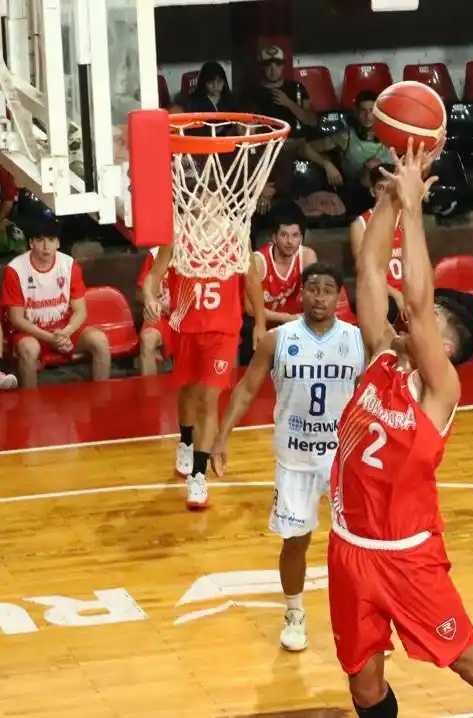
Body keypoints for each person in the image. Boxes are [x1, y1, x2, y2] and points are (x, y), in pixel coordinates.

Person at [326, 140, 473, 718]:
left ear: (445, 346)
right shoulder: (379, 358)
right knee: (363, 685)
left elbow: (417, 307)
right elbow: (368, 268)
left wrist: (415, 210)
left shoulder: (439, 390)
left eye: (432, 321)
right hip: (349, 550)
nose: (413, 319)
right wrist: (392, 198)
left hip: (406, 556)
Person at [210, 262, 364, 652]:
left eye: (328, 289)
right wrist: (220, 437)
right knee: (295, 541)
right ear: (301, 294)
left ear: (339, 297)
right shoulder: (277, 340)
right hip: (294, 457)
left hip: (342, 459)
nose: (320, 297)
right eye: (313, 288)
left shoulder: (358, 340)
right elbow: (245, 390)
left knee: (359, 540)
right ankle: (294, 613)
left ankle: (364, 611)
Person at [142, 237, 266, 510]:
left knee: (208, 399)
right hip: (186, 328)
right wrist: (150, 297)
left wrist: (260, 322)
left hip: (222, 331)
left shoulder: (236, 238)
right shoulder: (177, 239)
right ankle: (186, 442)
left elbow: (252, 281)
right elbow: (153, 275)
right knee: (188, 390)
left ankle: (198, 477)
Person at [349, 164, 473, 325]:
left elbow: (420, 261)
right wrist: (397, 295)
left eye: (390, 187)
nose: (385, 193)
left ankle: (452, 347)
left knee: (470, 303)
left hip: (412, 289)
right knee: (387, 310)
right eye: (380, 188)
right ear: (372, 191)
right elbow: (365, 272)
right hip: (383, 292)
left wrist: (423, 293)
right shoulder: (360, 224)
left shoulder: (409, 218)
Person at [0, 217, 111, 388]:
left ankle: (102, 400)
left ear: (58, 243)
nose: (46, 247)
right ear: (31, 242)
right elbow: (17, 319)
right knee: (29, 350)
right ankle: (30, 408)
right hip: (31, 332)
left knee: (100, 341)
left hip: (63, 329)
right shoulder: (15, 270)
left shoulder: (69, 265)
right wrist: (50, 338)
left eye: (51, 240)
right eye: (40, 240)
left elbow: (80, 311)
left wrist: (66, 332)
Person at [239, 205, 318, 365]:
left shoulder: (307, 257)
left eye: (295, 235)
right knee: (249, 329)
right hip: (262, 321)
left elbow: (315, 296)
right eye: (284, 235)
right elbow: (250, 308)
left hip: (295, 324)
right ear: (274, 238)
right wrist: (287, 318)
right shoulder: (258, 261)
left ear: (302, 237)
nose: (290, 241)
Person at [136, 246, 173, 376]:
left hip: (190, 316)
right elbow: (139, 294)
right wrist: (152, 302)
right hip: (162, 316)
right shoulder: (155, 254)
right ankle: (150, 393)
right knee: (147, 339)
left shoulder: (202, 252)